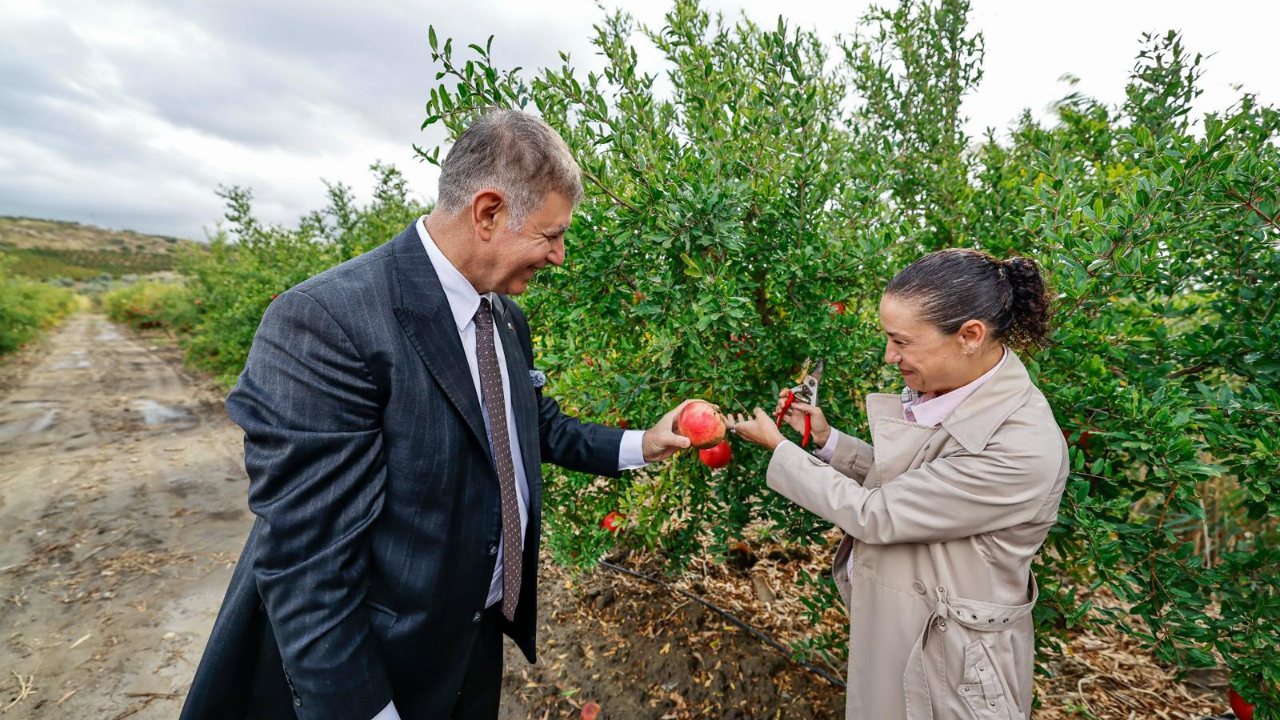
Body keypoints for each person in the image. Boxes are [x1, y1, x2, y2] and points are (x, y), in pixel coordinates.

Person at [178, 109, 694, 720]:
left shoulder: (501, 314)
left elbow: (533, 424)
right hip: (380, 665)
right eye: (551, 235)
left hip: (473, 642)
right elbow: (308, 569)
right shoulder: (327, 322)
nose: (559, 255)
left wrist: (646, 443)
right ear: (489, 213)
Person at [729, 248, 1069, 720]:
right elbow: (921, 488)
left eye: (902, 342)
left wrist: (778, 449)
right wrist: (827, 441)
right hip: (916, 633)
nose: (890, 357)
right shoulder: (955, 395)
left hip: (956, 668)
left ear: (970, 335)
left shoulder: (1020, 444)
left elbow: (880, 514)